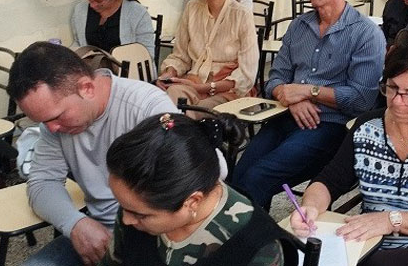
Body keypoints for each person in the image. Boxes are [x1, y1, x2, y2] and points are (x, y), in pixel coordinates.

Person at [290, 32, 408, 266]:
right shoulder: (367, 127)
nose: (397, 101)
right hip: (372, 241)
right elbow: (329, 180)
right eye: (392, 87)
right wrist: (310, 205)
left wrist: (392, 220)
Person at [231, 0, 386, 208]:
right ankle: (246, 239)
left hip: (330, 127)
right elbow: (275, 78)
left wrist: (307, 92)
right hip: (285, 116)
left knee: (258, 178)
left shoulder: (366, 34)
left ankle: (254, 244)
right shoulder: (299, 26)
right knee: (238, 175)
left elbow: (361, 100)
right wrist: (291, 98)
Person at [7, 42, 177, 266]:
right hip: (98, 229)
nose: (51, 129)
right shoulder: (54, 125)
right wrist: (75, 223)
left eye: (56, 117)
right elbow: (42, 183)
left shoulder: (147, 107)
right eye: (43, 122)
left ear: (86, 88)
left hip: (154, 237)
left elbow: (204, 172)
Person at [99, 113, 285, 266]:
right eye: (123, 206)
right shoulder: (135, 208)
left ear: (192, 201)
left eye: (141, 215)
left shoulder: (255, 248)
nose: (125, 219)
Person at [157, 0, 259, 118]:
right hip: (193, 83)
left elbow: (247, 73)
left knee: (192, 112)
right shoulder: (192, 8)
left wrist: (207, 87)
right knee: (166, 100)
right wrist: (169, 73)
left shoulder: (241, 14)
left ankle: (183, 141)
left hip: (228, 91)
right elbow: (180, 56)